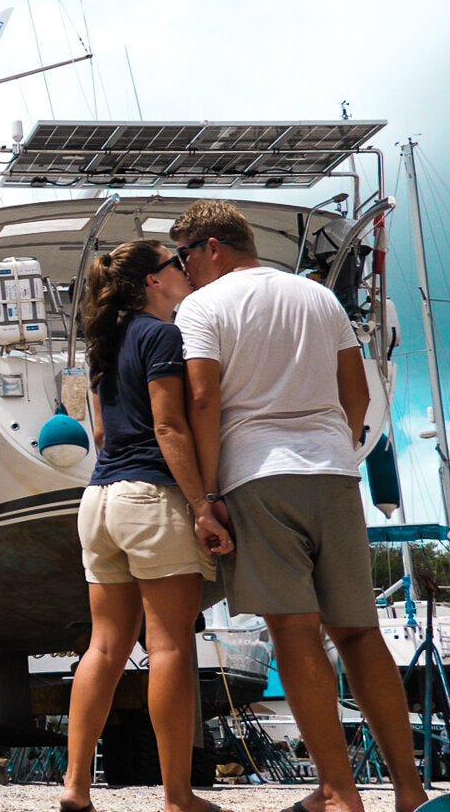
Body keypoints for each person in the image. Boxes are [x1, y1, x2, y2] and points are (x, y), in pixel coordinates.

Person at [171, 200, 427, 812]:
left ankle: (338, 792)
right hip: (334, 472)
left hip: (257, 474)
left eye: (185, 256)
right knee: (360, 631)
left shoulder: (202, 307)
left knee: (293, 629)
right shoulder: (318, 297)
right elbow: (357, 394)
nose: (183, 270)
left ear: (212, 248)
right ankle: (410, 790)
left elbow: (203, 400)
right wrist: (338, 447)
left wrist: (206, 496)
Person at [60, 239, 232, 812]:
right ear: (153, 281)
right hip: (151, 497)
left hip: (99, 501)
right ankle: (178, 796)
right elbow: (169, 427)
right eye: (174, 264)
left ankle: (76, 786)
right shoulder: (162, 336)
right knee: (169, 647)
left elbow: (102, 434)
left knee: (105, 646)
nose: (184, 269)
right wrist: (203, 504)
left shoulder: (105, 345)